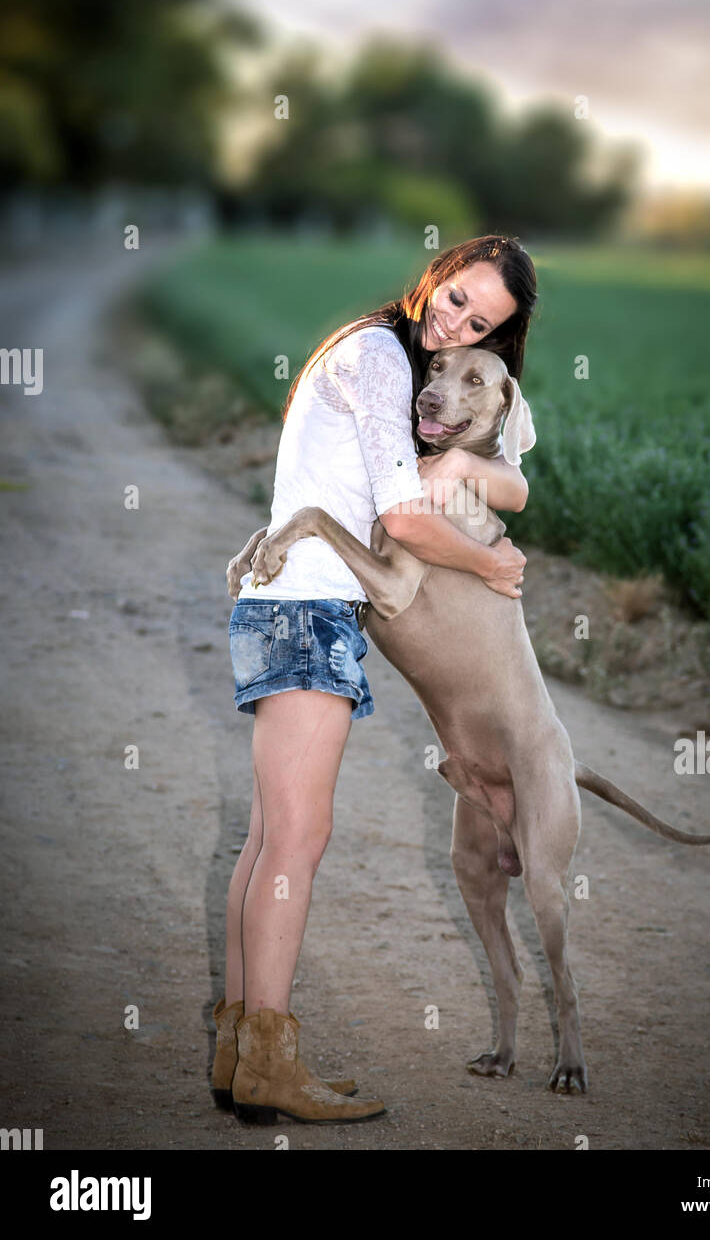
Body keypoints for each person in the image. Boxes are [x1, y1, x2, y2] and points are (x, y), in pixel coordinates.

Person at [213, 234, 537, 1124]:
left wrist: (485, 483)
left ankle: (239, 1053)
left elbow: (490, 478)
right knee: (297, 843)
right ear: (438, 273)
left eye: (482, 321)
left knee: (265, 838)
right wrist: (492, 566)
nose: (459, 320)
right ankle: (270, 1064)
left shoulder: (370, 349)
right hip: (310, 612)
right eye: (459, 296)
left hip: (292, 605)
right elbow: (402, 517)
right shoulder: (382, 358)